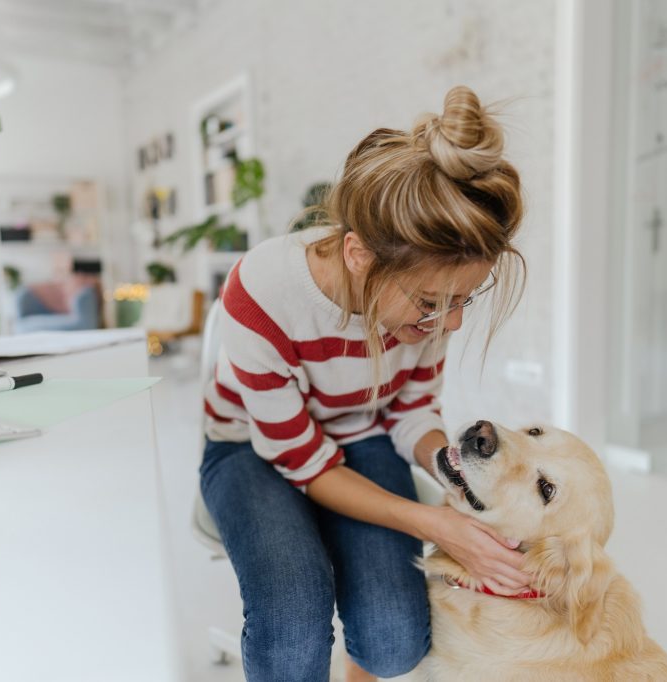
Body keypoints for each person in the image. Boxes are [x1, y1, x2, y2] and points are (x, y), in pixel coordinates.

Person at [200, 85, 529, 682]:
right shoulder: (262, 290)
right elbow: (301, 460)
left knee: (392, 645)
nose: (450, 323)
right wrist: (436, 523)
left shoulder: (428, 300)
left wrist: (455, 472)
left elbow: (409, 413)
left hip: (361, 436)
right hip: (252, 448)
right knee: (291, 621)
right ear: (357, 254)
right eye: (433, 302)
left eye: (463, 301)